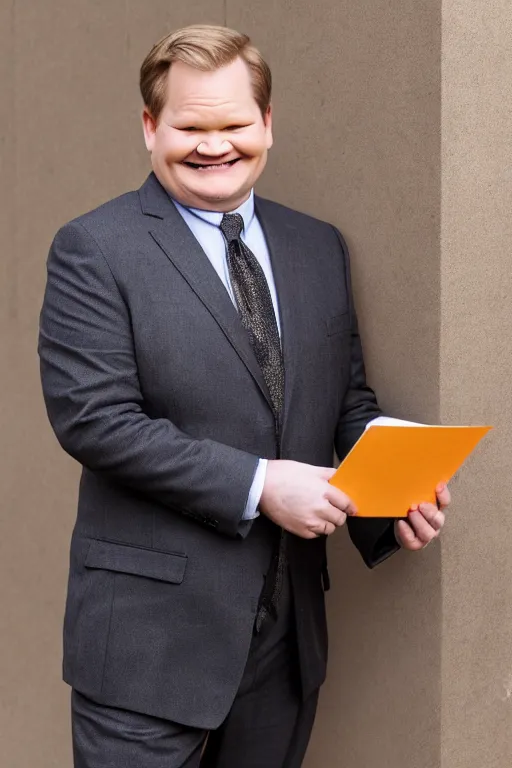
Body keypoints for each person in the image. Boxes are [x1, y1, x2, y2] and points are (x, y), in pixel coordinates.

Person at [38, 24, 450, 768]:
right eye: (190, 126)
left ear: (267, 123)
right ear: (149, 127)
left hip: (285, 646)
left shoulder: (317, 245)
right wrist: (262, 487)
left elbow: (345, 403)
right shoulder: (94, 249)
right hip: (147, 652)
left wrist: (395, 494)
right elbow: (96, 421)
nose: (214, 145)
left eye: (234, 124)